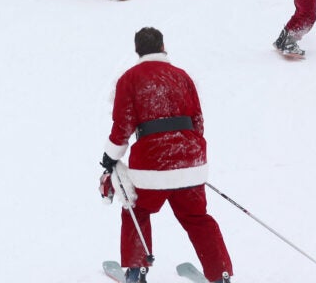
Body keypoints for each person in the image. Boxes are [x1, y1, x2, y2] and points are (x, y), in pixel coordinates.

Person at [99, 26, 233, 283]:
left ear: (138, 51)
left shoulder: (129, 79)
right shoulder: (182, 77)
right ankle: (220, 275)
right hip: (190, 161)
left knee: (136, 211)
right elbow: (198, 121)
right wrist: (190, 155)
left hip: (152, 166)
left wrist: (110, 157)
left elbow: (122, 126)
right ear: (162, 47)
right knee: (197, 218)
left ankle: (136, 272)